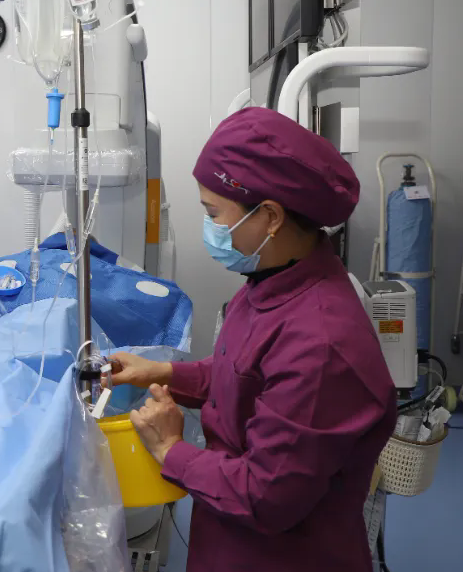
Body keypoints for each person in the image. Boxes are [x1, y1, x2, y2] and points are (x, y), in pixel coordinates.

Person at [107, 108, 396, 572]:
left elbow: (266, 496)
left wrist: (170, 450)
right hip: (227, 539)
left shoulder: (323, 346)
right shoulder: (271, 280)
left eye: (213, 214)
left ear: (271, 216)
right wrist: (163, 372)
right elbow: (243, 372)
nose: (209, 227)